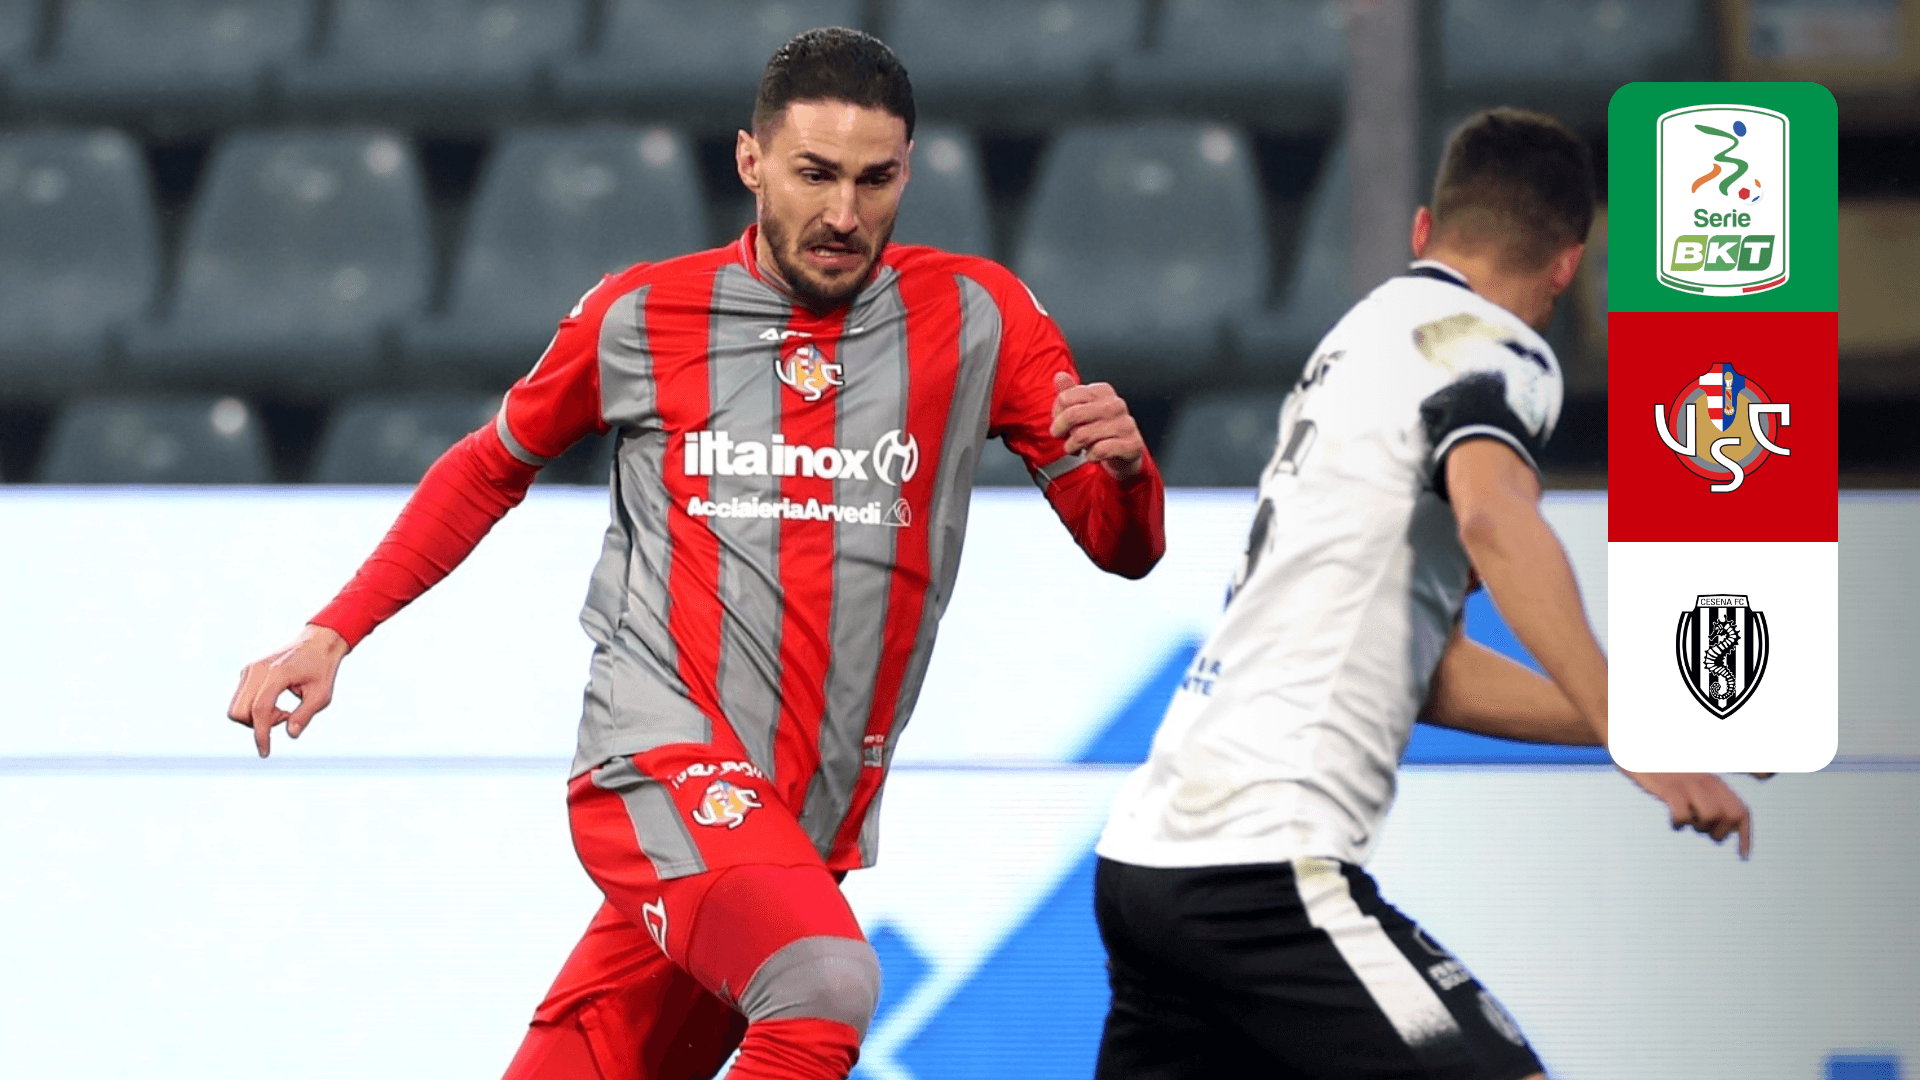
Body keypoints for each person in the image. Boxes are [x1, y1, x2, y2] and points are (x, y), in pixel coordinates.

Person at [226, 28, 1165, 1080]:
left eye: (875, 180)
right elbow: (490, 466)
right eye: (815, 174)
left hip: (793, 828)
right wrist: (335, 630)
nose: (844, 213)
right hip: (658, 761)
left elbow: (1122, 548)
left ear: (909, 171)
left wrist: (1128, 477)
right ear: (750, 161)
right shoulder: (642, 314)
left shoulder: (976, 316)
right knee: (824, 989)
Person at [1089, 108, 1758, 1080]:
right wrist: (1633, 731)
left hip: (1149, 863)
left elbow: (1433, 675)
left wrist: (1664, 719)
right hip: (1260, 868)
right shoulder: (1496, 347)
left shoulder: (1359, 344)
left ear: (1422, 231)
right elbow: (1494, 517)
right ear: (1567, 267)